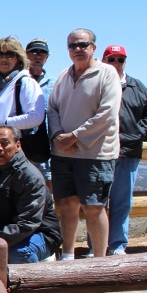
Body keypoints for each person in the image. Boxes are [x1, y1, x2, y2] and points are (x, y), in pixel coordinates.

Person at [47, 28, 122, 259]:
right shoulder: (63, 76)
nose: (77, 50)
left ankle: (99, 261)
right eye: (72, 46)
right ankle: (68, 256)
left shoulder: (107, 74)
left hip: (95, 155)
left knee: (94, 206)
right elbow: (52, 108)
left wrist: (75, 136)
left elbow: (108, 113)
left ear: (93, 47)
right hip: (64, 154)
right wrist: (59, 134)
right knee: (67, 205)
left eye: (82, 45)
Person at [0, 125, 62, 264]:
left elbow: (27, 223)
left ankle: (32, 279)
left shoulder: (30, 177)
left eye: (5, 143)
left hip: (38, 232)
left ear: (18, 145)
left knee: (17, 253)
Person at [103, 45, 147, 255]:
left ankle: (117, 245)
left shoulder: (138, 87)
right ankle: (97, 246)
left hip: (128, 154)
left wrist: (137, 135)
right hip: (100, 153)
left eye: (120, 59)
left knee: (122, 202)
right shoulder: (97, 84)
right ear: (104, 61)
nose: (116, 63)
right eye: (111, 59)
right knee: (97, 204)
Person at [0, 36, 45, 159]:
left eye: (10, 54)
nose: (4, 58)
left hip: (6, 150)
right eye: (0, 54)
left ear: (18, 58)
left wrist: (4, 124)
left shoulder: (25, 82)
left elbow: (36, 117)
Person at [26, 38, 55, 180]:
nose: (38, 55)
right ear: (26, 54)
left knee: (49, 185)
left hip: (48, 145)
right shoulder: (19, 81)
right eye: (34, 51)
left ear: (47, 56)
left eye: (42, 52)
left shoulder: (55, 83)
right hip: (25, 144)